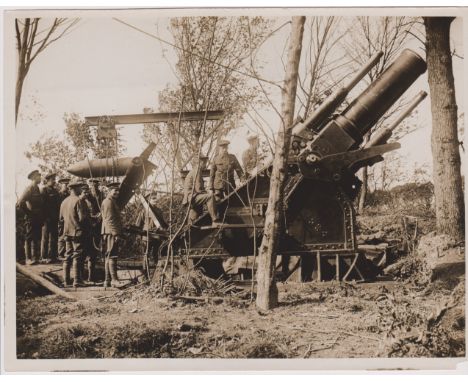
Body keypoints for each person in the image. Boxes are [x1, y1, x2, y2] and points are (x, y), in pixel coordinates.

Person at [59, 180, 87, 287]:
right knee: (77, 256)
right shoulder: (78, 201)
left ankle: (66, 280)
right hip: (77, 232)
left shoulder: (64, 202)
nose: (81, 189)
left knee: (67, 255)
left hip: (67, 233)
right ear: (75, 189)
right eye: (80, 187)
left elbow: (61, 219)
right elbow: (82, 218)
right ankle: (77, 281)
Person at [134, 190, 168, 278]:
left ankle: (158, 274)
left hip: (157, 236)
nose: (156, 200)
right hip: (147, 236)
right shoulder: (144, 211)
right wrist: (139, 236)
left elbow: (163, 224)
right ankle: (145, 274)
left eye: (156, 198)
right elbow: (138, 225)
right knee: (146, 254)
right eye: (153, 198)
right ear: (148, 200)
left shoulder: (159, 211)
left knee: (156, 254)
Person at [101, 182, 128, 288]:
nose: (117, 192)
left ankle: (108, 281)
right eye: (115, 190)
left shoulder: (111, 201)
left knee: (109, 256)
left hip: (109, 231)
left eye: (118, 190)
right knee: (112, 255)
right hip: (111, 232)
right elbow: (109, 219)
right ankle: (114, 280)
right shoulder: (108, 202)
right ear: (109, 191)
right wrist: (116, 233)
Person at [17, 170, 44, 265]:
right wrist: (28, 213)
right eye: (38, 176)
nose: (40, 178)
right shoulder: (29, 189)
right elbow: (20, 202)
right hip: (31, 218)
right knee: (29, 238)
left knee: (36, 237)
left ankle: (35, 258)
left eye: (40, 176)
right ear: (33, 178)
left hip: (37, 218)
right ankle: (28, 258)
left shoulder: (37, 188)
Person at [183, 155, 219, 225]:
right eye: (204, 162)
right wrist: (209, 193)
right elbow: (199, 188)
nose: (205, 164)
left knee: (194, 218)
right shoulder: (197, 171)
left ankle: (189, 229)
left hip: (190, 198)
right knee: (210, 197)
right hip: (192, 197)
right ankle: (215, 220)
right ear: (199, 163)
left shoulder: (193, 171)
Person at [79, 183, 101, 284]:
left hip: (92, 232)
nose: (87, 193)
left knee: (92, 255)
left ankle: (90, 278)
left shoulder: (92, 201)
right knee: (82, 256)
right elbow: (81, 218)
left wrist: (96, 217)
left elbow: (89, 215)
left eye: (88, 191)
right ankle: (80, 278)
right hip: (84, 233)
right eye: (84, 192)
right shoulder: (79, 202)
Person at [40, 172, 61, 263]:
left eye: (54, 179)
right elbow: (42, 205)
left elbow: (58, 205)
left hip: (54, 218)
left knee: (54, 237)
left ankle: (52, 256)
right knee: (45, 238)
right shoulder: (44, 190)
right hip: (47, 218)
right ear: (47, 180)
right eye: (53, 180)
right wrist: (45, 217)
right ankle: (44, 257)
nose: (54, 181)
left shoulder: (55, 191)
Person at [57, 177, 70, 260]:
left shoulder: (68, 195)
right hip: (61, 218)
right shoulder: (59, 195)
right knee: (61, 236)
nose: (66, 186)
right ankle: (60, 254)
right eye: (64, 184)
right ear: (61, 185)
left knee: (67, 235)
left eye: (67, 184)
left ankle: (66, 253)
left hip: (67, 218)